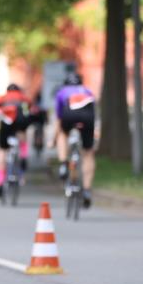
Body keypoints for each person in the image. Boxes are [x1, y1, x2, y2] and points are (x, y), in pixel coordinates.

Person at [54, 71, 96, 208]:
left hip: (69, 115)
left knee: (63, 134)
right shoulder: (88, 91)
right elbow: (93, 112)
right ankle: (87, 191)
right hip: (87, 118)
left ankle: (63, 163)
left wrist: (54, 139)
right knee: (88, 154)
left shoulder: (62, 92)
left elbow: (58, 119)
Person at [0, 83, 31, 198]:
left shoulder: (2, 98)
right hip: (20, 121)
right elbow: (29, 110)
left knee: (2, 150)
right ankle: (23, 156)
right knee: (22, 132)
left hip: (6, 123)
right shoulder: (23, 97)